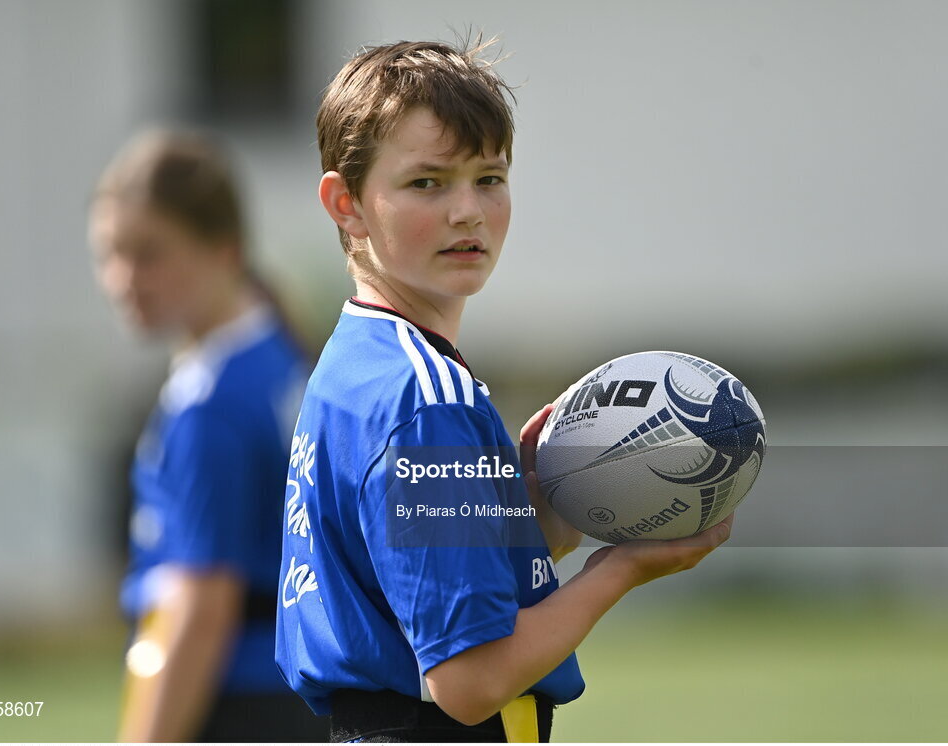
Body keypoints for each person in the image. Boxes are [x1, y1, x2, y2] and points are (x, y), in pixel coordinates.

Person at [275, 38, 733, 743]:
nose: (468, 211)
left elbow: (404, 589)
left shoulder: (356, 362)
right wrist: (622, 568)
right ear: (348, 205)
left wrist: (534, 524)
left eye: (489, 177)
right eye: (427, 183)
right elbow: (468, 680)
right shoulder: (426, 399)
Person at [88, 130, 328, 742]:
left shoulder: (209, 404)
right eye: (109, 254)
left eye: (148, 253)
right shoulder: (280, 357)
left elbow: (201, 609)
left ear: (224, 250)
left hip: (234, 705)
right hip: (298, 698)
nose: (122, 278)